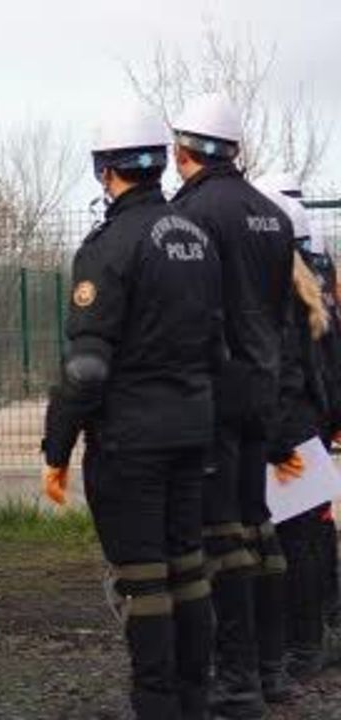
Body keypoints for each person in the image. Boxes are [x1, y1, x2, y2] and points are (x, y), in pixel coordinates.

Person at [41, 104, 222, 719]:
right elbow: (218, 345)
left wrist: (56, 448)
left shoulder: (108, 245)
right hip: (193, 429)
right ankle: (195, 701)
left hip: (133, 441)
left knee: (143, 581)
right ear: (155, 163)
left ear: (104, 169)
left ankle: (156, 705)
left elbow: (87, 366)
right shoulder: (196, 237)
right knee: (190, 569)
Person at [169, 93, 299, 717]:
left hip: (215, 399)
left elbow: (196, 314)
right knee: (258, 529)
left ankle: (236, 678)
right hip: (262, 392)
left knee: (220, 541)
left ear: (182, 149)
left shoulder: (191, 214)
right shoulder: (270, 215)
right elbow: (277, 313)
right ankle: (271, 669)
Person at [253, 179, 331, 682]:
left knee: (289, 547)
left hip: (289, 440)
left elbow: (283, 376)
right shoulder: (307, 293)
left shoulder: (278, 298)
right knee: (307, 542)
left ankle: (298, 648)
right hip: (307, 432)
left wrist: (276, 443)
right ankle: (309, 641)